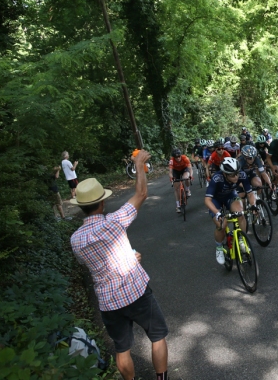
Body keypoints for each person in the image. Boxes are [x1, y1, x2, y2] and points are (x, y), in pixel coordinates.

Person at [70, 150, 169, 380]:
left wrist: (128, 257)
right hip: (136, 291)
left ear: (81, 206)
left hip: (108, 302)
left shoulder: (76, 239)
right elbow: (142, 193)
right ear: (102, 203)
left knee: (122, 348)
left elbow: (93, 263)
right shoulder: (113, 221)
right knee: (157, 336)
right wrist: (138, 164)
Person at [205, 157, 256, 264]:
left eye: (237, 173)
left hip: (230, 195)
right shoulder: (216, 178)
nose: (236, 177)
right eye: (232, 175)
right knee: (222, 225)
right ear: (224, 174)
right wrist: (217, 213)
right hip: (215, 199)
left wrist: (253, 205)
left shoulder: (241, 174)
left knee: (240, 214)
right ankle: (219, 248)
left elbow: (250, 193)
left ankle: (242, 239)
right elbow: (207, 200)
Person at [168, 148, 193, 213]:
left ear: (180, 155)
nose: (178, 158)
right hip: (176, 171)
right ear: (174, 157)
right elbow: (170, 172)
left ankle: (187, 189)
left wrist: (191, 176)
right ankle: (178, 205)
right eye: (176, 157)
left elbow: (190, 169)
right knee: (176, 188)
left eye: (179, 156)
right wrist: (171, 178)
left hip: (184, 169)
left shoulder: (185, 158)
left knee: (186, 177)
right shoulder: (171, 160)